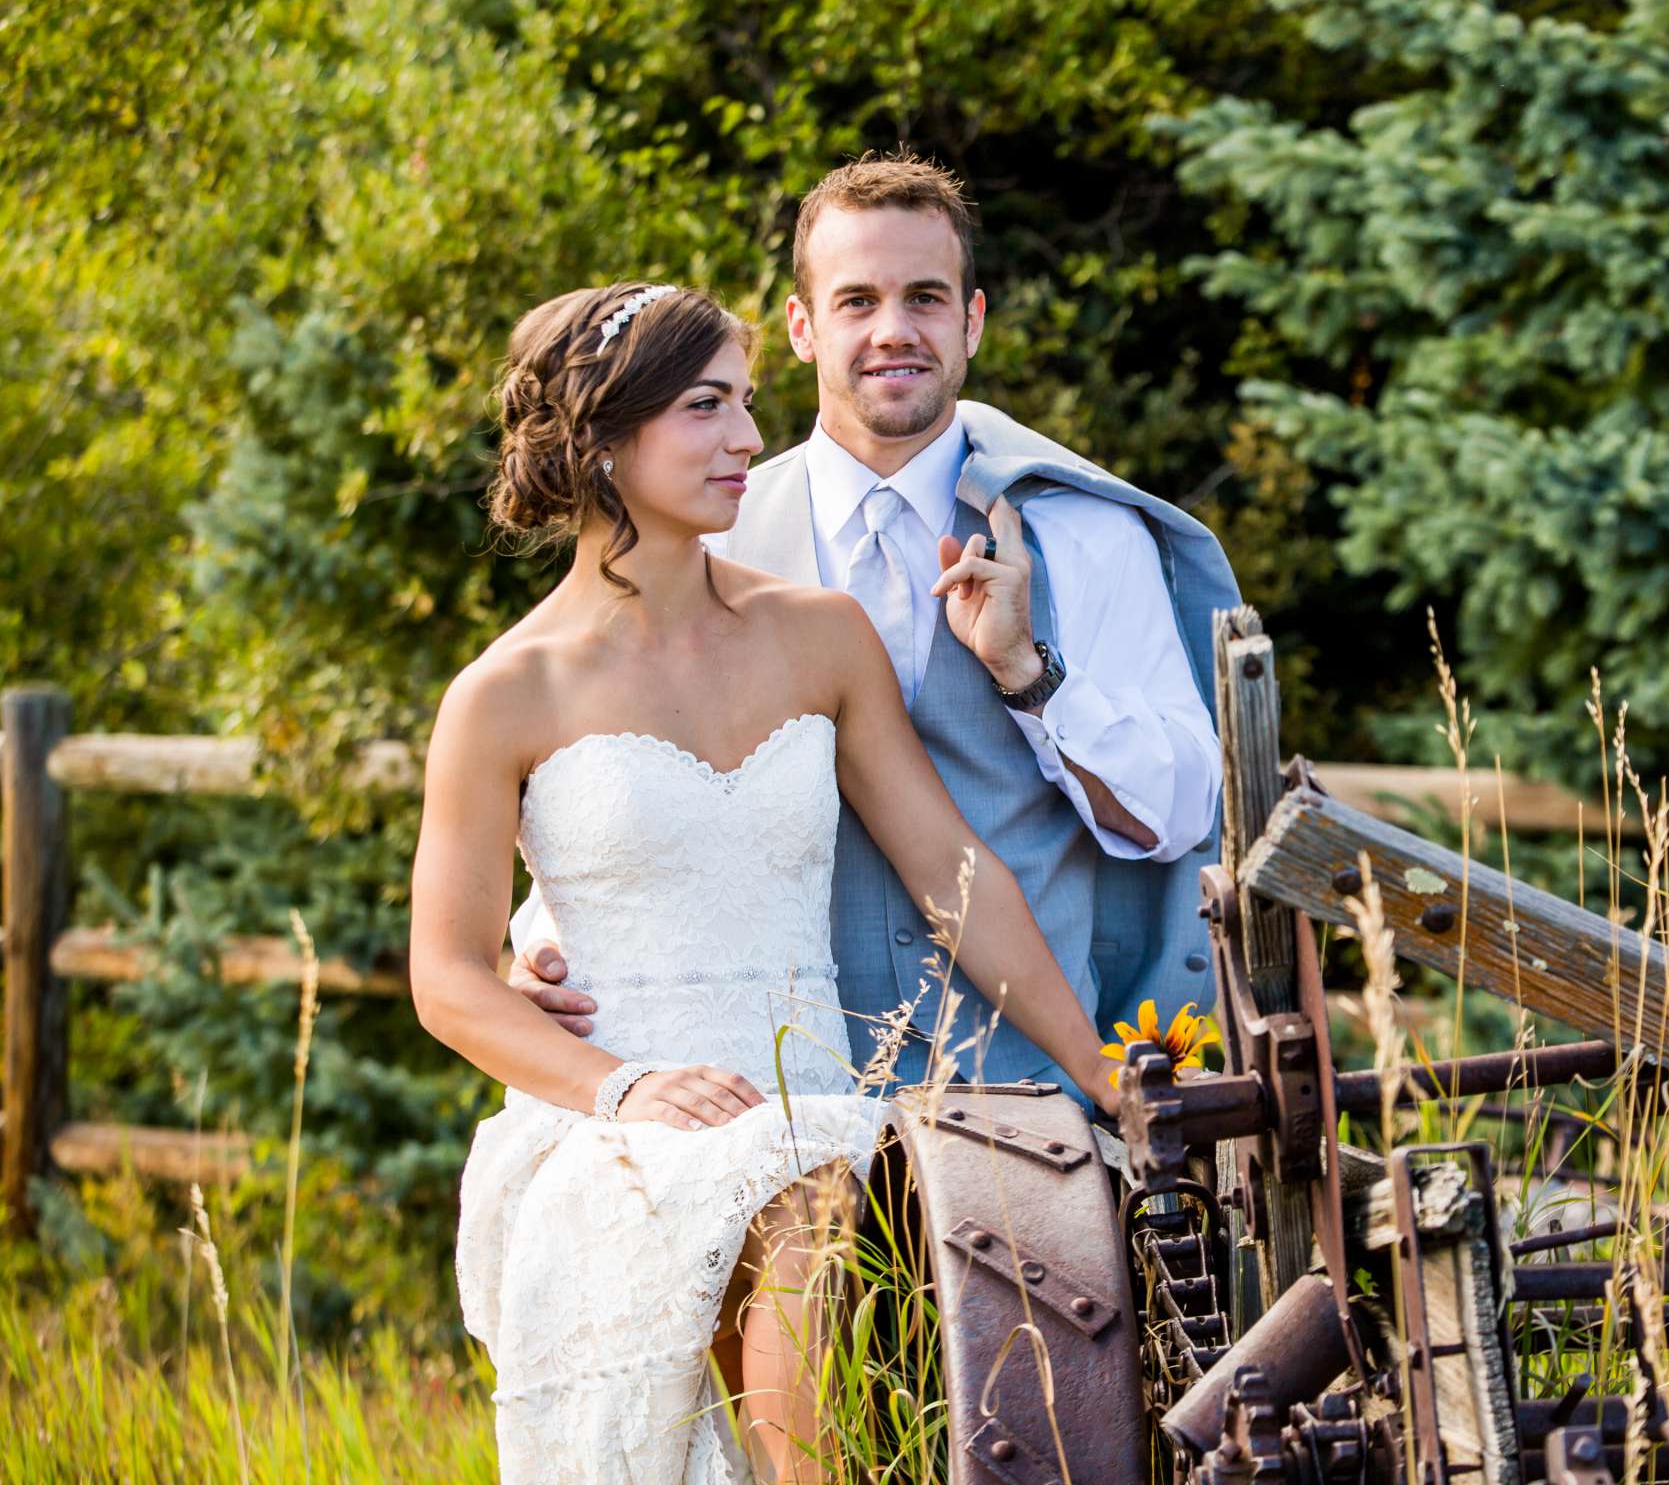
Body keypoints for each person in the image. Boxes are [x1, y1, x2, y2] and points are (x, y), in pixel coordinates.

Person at [407, 279, 1122, 1484]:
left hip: (819, 1110)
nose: (748, 438)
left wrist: (1104, 1072)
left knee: (823, 1212)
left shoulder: (819, 636)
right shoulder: (503, 693)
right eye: (705, 407)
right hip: (618, 1129)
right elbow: (445, 974)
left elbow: (955, 876)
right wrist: (619, 1083)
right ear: (600, 434)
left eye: (745, 403)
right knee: (808, 1227)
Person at [506, 154, 1238, 1097]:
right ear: (803, 330)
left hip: (1032, 1106)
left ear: (971, 321)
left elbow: (1178, 819)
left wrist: (1029, 674)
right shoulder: (701, 532)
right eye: (857, 301)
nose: (894, 331)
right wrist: (546, 948)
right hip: (771, 1102)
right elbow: (620, 790)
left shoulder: (1084, 533)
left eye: (926, 298)